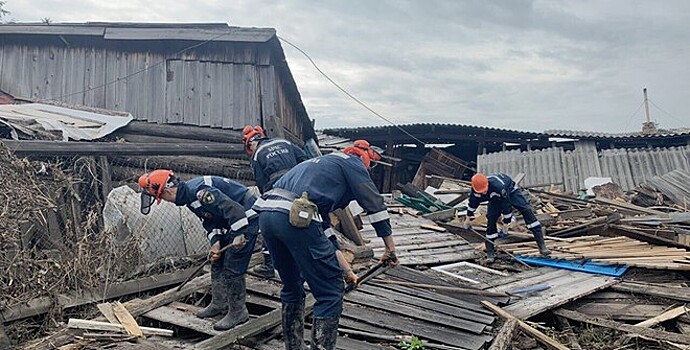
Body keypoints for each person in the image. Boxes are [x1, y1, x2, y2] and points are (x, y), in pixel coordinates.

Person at [252, 140, 398, 350]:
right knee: (329, 293)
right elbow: (375, 206)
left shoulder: (318, 166)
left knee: (292, 287)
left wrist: (347, 270)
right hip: (296, 216)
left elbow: (325, 232)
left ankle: (294, 347)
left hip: (267, 214)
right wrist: (390, 248)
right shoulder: (353, 163)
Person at [138, 170, 258, 331]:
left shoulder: (201, 193)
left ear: (167, 191)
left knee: (233, 266)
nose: (165, 201)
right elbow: (210, 221)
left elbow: (234, 210)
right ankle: (219, 303)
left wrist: (239, 234)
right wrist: (215, 243)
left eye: (162, 197)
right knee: (217, 261)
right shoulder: (189, 198)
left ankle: (238, 312)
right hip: (230, 221)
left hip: (246, 217)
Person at [243, 125, 307, 278]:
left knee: (269, 222)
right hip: (297, 184)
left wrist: (266, 199)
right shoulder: (284, 142)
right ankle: (304, 266)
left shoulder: (257, 155)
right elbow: (303, 158)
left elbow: (260, 181)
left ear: (251, 143)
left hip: (276, 188)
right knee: (302, 220)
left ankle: (269, 265)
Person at [464, 173, 551, 263]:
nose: (483, 193)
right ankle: (490, 253)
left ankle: (542, 247)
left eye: (484, 190)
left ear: (487, 184)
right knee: (491, 218)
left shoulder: (498, 186)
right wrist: (468, 219)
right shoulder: (475, 191)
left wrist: (506, 222)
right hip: (494, 199)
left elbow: (506, 205)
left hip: (511, 192)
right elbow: (472, 204)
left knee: (526, 210)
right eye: (481, 192)